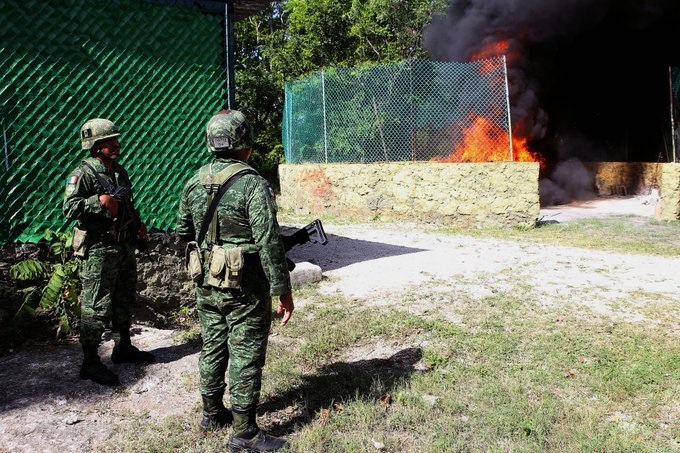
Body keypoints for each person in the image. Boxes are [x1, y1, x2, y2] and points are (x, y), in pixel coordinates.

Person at [176, 110, 294, 452]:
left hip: (206, 280)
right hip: (246, 287)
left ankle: (212, 414)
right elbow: (269, 241)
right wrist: (282, 290)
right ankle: (245, 434)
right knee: (245, 353)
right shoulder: (252, 184)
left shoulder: (192, 181)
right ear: (244, 141)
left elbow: (183, 231)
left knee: (212, 345)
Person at [63, 118, 155, 386]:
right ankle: (90, 362)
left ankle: (123, 347)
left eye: (116, 140)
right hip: (98, 250)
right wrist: (97, 202)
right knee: (96, 306)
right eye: (109, 141)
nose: (116, 144)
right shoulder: (82, 174)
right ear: (95, 145)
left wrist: (137, 224)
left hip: (122, 245)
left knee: (124, 298)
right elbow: (68, 209)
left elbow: (126, 202)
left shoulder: (119, 171)